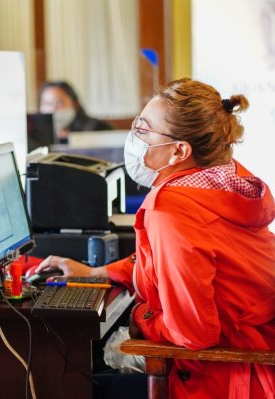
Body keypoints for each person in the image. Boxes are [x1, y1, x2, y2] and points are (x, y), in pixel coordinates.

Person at [35, 78, 275, 398]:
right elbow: (176, 260)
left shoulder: (173, 210)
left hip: (227, 379)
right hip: (249, 361)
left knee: (71, 384)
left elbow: (194, 333)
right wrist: (97, 273)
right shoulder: (221, 181)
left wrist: (141, 317)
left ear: (179, 150)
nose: (134, 137)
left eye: (143, 130)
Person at [39, 81, 113, 144]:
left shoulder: (98, 128)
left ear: (75, 104)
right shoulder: (37, 135)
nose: (53, 108)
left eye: (59, 102)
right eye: (47, 103)